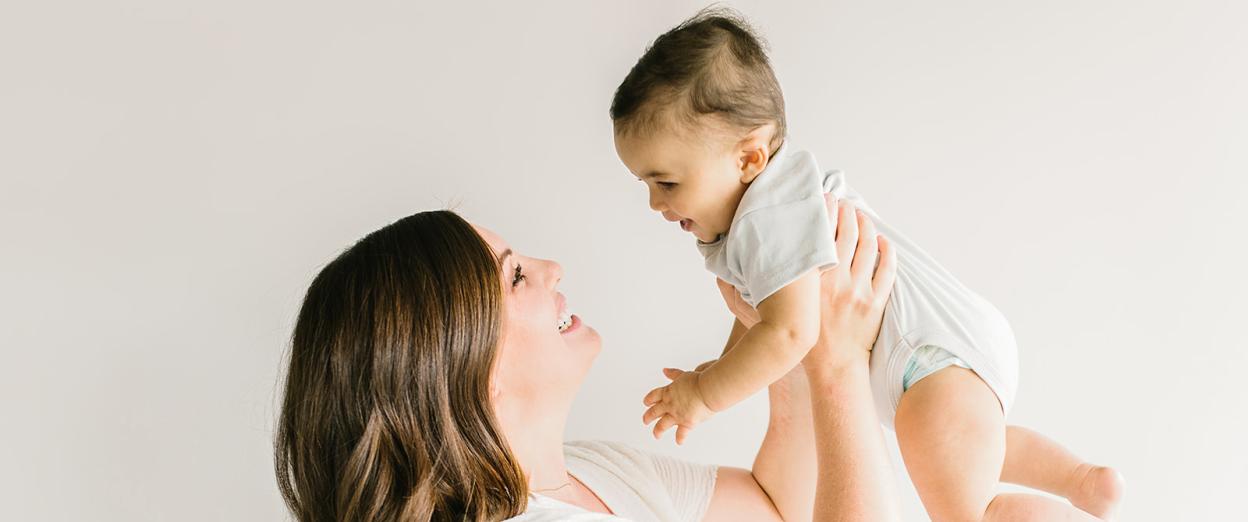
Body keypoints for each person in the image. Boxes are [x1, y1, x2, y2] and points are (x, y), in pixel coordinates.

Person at [610, 8, 1123, 521]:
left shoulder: (766, 219)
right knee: (967, 450)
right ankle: (1080, 480)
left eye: (668, 183)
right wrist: (723, 368)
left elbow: (789, 335)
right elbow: (768, 317)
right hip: (947, 352)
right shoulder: (776, 207)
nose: (656, 203)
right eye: (646, 186)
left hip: (927, 361)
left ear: (748, 159)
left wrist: (706, 394)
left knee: (971, 510)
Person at [273, 197, 900, 521]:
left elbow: (775, 507)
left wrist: (785, 335)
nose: (553, 269)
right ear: (460, 366)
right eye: (515, 276)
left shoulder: (587, 475)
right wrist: (838, 366)